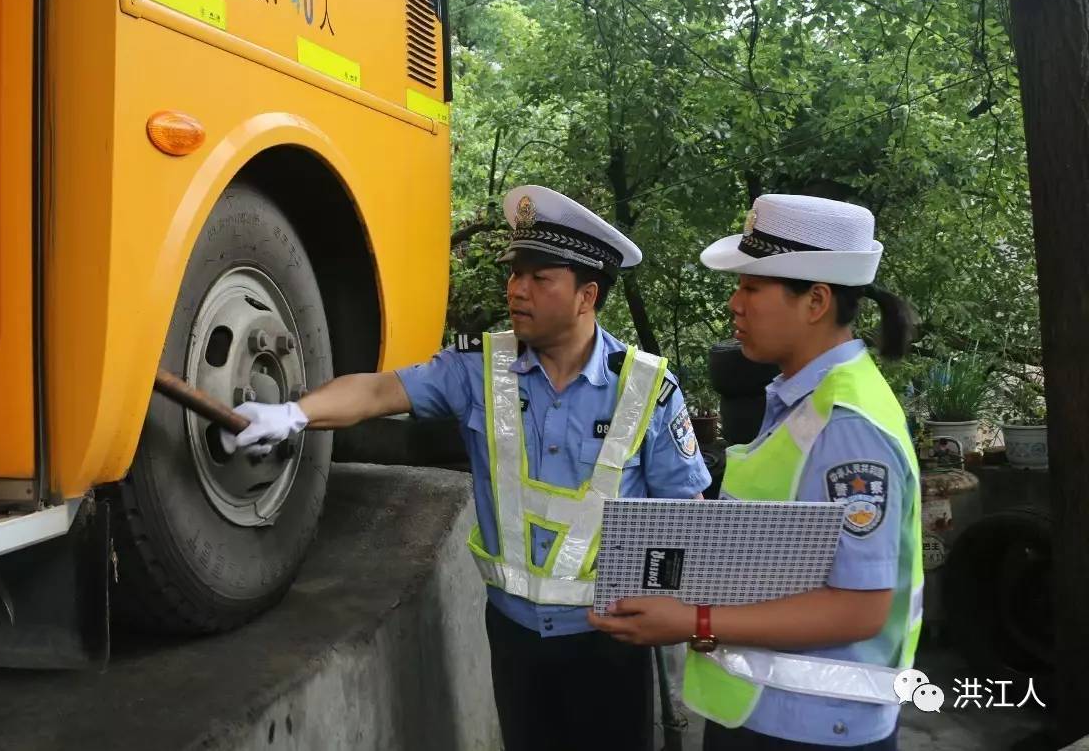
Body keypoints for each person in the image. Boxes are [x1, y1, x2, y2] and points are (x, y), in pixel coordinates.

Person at [224, 185, 711, 750]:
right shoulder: (480, 369)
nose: (516, 290)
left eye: (539, 278)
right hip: (512, 637)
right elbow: (382, 390)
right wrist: (293, 413)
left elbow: (686, 517)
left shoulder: (647, 388)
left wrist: (689, 618)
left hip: (611, 641)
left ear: (587, 295)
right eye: (514, 274)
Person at [589, 193, 922, 750]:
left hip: (813, 727)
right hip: (768, 714)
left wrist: (694, 621)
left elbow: (863, 608)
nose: (733, 304)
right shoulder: (802, 399)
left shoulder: (847, 426)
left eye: (751, 287)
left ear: (815, 301)